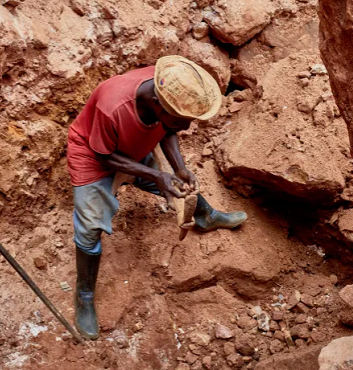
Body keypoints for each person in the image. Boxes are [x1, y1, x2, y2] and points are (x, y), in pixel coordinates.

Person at [66, 55, 248, 340]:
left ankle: (205, 217)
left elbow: (167, 128)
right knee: (89, 227)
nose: (186, 128)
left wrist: (179, 168)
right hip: (94, 154)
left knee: (178, 185)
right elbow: (103, 154)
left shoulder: (168, 86)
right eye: (182, 121)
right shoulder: (111, 105)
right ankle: (84, 294)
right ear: (156, 104)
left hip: (131, 146)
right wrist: (156, 175)